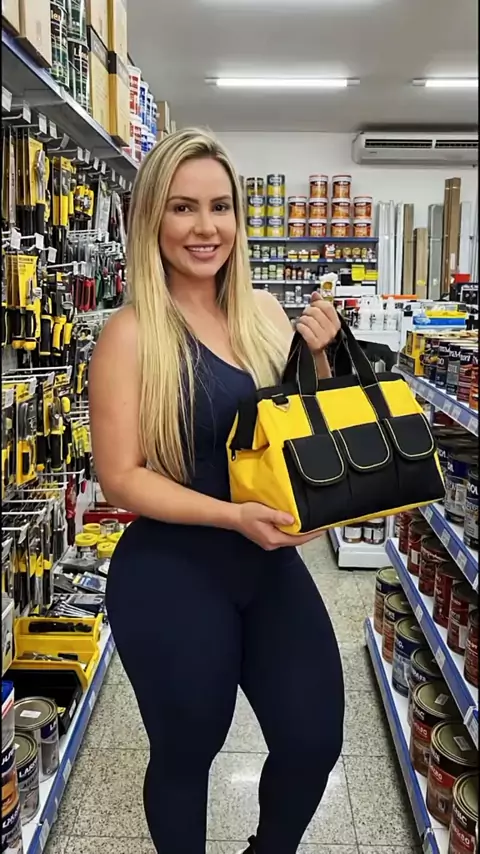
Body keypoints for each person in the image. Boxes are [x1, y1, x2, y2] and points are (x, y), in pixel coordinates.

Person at [89, 128, 345, 854]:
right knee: (187, 749)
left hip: (266, 565)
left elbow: (295, 429)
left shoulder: (262, 310)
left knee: (313, 738)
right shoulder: (130, 335)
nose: (206, 228)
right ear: (152, 218)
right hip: (170, 570)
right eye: (183, 207)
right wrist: (232, 515)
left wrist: (321, 361)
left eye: (220, 207)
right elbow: (121, 475)